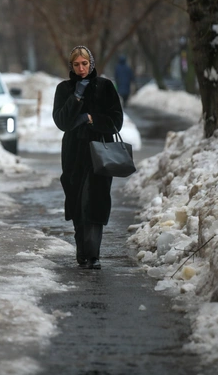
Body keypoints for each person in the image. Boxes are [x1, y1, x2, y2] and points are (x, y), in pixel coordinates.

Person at [52, 46, 123, 270]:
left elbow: (116, 121)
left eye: (84, 64)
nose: (81, 69)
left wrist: (91, 118)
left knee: (94, 201)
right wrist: (76, 97)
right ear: (71, 66)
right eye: (76, 64)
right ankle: (82, 251)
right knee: (76, 201)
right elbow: (62, 122)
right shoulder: (64, 89)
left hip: (100, 150)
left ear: (91, 63)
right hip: (73, 153)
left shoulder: (105, 86)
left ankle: (93, 255)